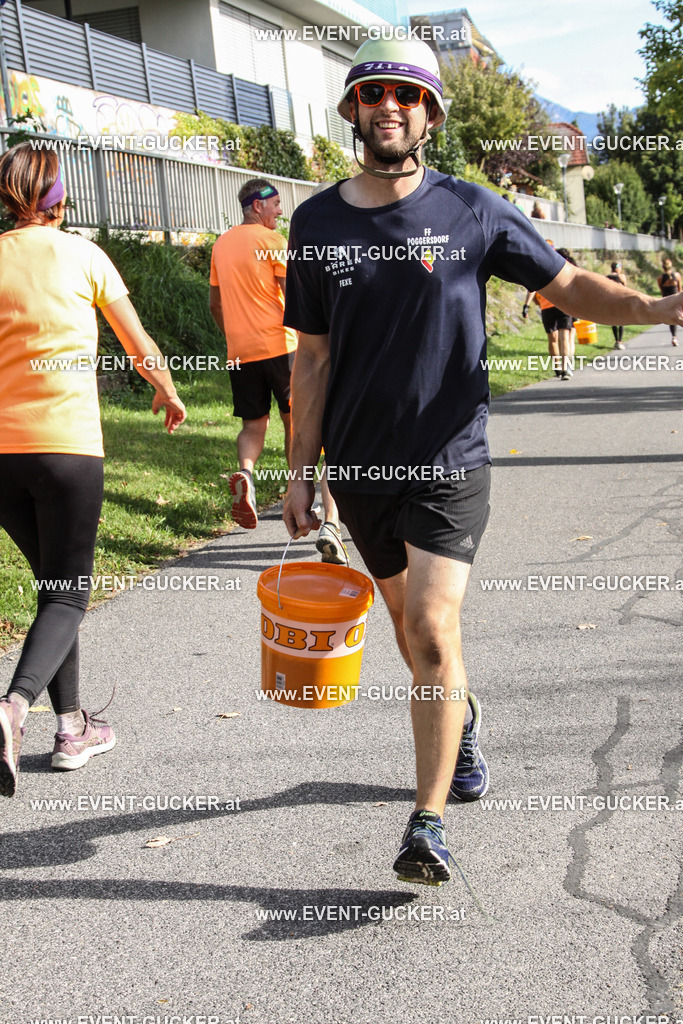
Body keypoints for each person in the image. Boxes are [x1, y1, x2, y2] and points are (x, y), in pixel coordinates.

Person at [281, 36, 683, 887]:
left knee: (431, 627)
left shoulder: (472, 209)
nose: (390, 106)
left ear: (428, 114)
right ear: (353, 109)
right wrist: (298, 470)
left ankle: (424, 825)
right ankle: (461, 728)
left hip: (449, 458)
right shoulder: (314, 222)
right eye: (374, 93)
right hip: (359, 467)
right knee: (406, 631)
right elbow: (310, 357)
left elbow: (566, 286)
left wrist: (656, 306)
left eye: (408, 95)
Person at [0, 143, 186, 798]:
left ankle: (74, 727)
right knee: (69, 592)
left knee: (55, 586)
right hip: (67, 448)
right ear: (60, 199)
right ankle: (14, 708)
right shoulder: (84, 256)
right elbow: (141, 346)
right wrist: (167, 391)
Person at [209, 178, 346, 562]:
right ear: (257, 205)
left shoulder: (221, 244)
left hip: (239, 351)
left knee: (253, 424)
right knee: (296, 422)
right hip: (281, 346)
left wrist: (234, 337)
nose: (280, 212)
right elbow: (296, 294)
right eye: (274, 206)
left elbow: (215, 305)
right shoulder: (272, 244)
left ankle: (247, 476)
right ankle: (295, 492)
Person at [658, 258, 681, 346]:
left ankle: (674, 337)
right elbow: (679, 289)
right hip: (676, 298)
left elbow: (662, 290)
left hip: (667, 300)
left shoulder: (660, 278)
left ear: (663, 267)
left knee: (672, 319)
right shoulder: (677, 275)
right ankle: (675, 337)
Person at [606, 261, 628, 349]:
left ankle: (616, 341)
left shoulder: (607, 277)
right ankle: (620, 341)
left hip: (611, 301)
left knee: (613, 321)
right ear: (617, 268)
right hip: (620, 300)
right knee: (621, 321)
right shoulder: (621, 276)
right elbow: (625, 289)